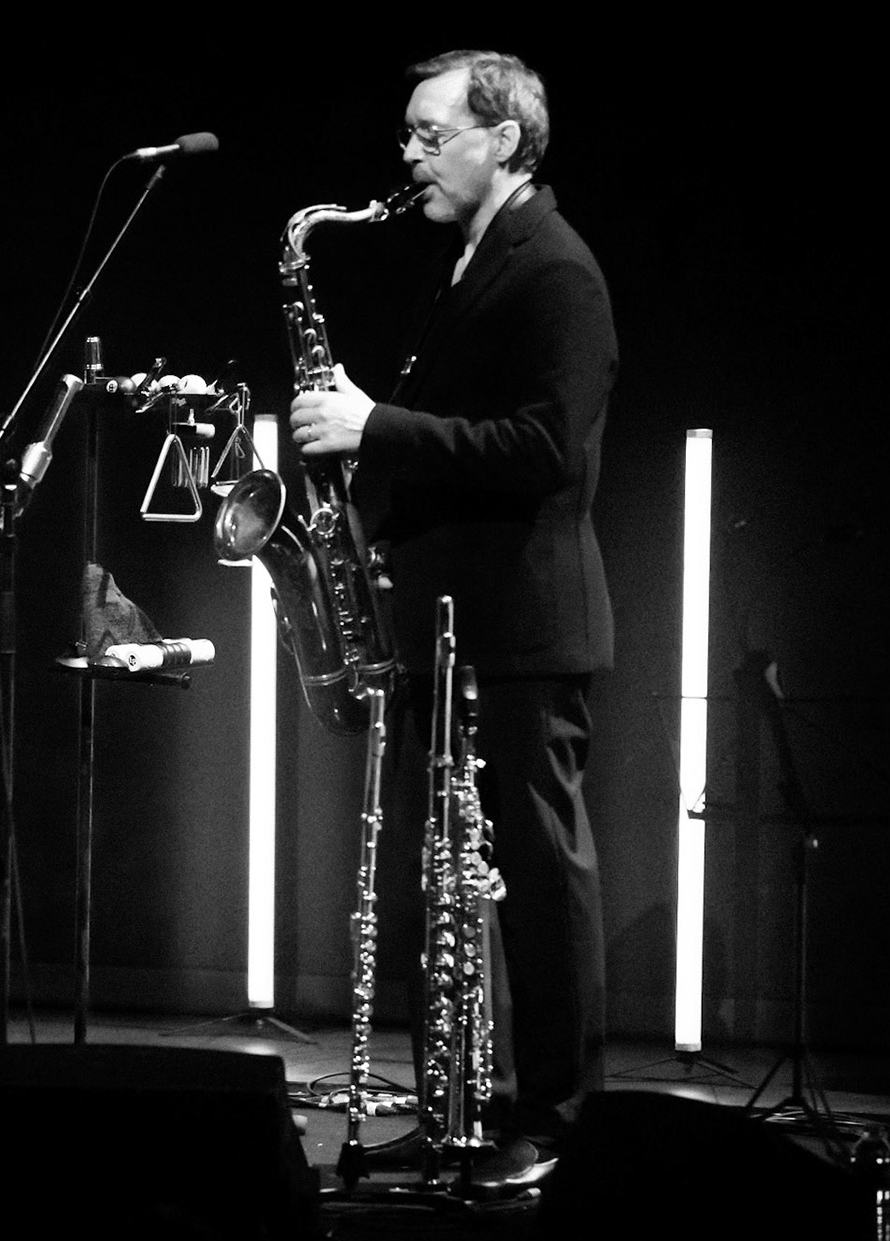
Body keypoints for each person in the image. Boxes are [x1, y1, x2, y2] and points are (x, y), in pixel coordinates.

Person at [289, 49, 616, 1151]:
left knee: (537, 874)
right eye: (409, 136)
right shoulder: (473, 259)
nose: (411, 157)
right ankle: (457, 1107)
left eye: (434, 135)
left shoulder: (557, 269)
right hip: (446, 620)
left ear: (505, 140)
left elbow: (541, 448)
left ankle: (559, 1116)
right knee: (442, 882)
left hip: (520, 625)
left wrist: (374, 425)